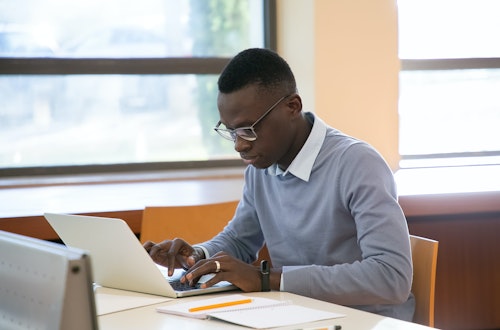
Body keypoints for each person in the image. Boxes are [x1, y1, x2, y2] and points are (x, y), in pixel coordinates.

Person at [144, 48, 415, 320]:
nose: (240, 145)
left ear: (292, 107)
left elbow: (391, 277)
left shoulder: (357, 163)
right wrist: (197, 256)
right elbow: (240, 239)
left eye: (249, 129)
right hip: (298, 316)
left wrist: (268, 279)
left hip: (364, 320)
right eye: (231, 131)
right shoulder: (262, 163)